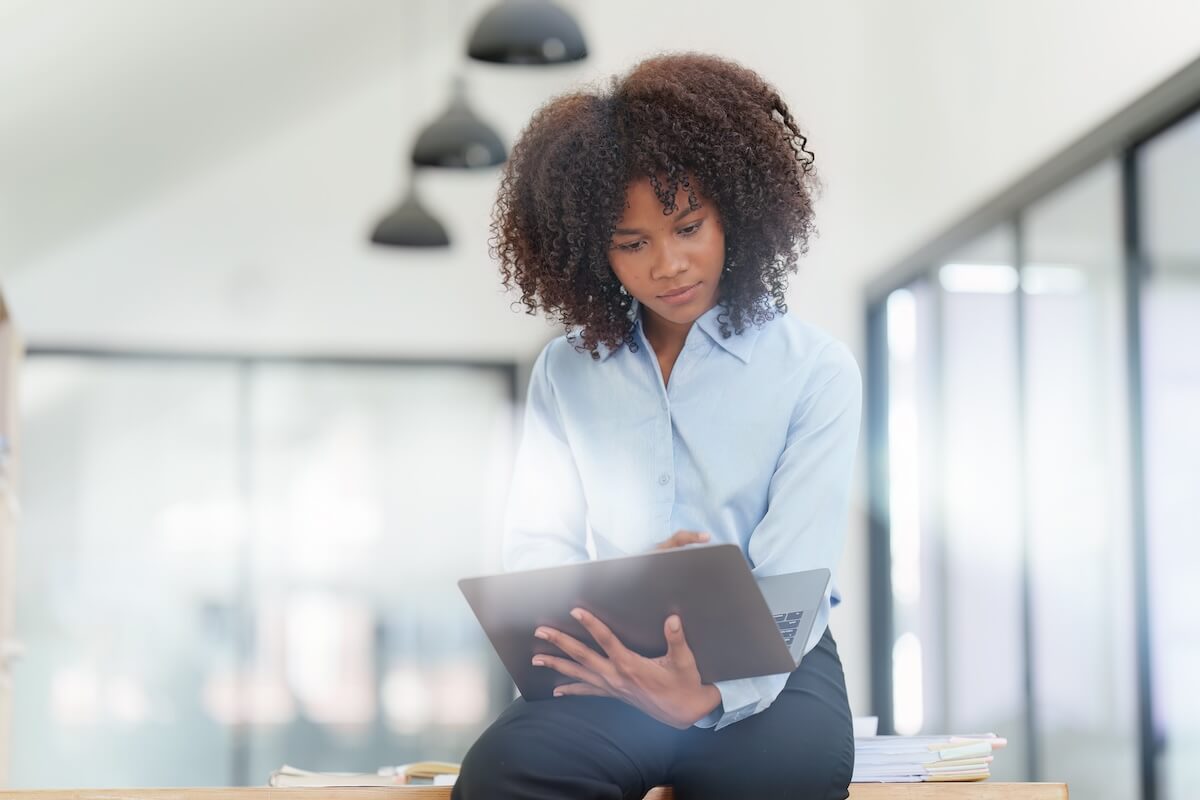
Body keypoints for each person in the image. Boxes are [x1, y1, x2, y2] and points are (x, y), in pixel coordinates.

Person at [453, 52, 862, 800]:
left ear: (737, 213)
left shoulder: (817, 371)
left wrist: (708, 693)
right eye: (632, 243)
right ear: (589, 250)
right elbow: (539, 547)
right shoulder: (565, 372)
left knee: (781, 781)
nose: (668, 265)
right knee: (504, 773)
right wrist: (628, 597)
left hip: (774, 658)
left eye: (688, 226)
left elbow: (796, 572)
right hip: (617, 652)